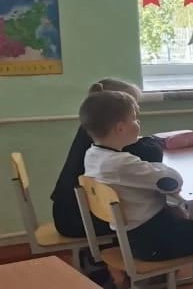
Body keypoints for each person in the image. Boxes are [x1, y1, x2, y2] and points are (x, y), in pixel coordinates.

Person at [80, 90, 193, 289]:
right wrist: (159, 168)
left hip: (131, 239)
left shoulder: (93, 155)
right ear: (120, 128)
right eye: (134, 118)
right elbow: (172, 181)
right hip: (154, 242)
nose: (138, 123)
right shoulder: (122, 164)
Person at [51, 78, 164, 239]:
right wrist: (152, 141)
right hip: (78, 219)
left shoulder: (93, 131)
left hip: (67, 211)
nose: (136, 115)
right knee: (153, 211)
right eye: (132, 113)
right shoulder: (110, 142)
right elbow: (152, 154)